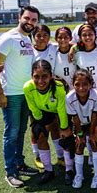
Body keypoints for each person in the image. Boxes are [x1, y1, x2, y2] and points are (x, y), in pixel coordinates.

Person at [0, 5, 41, 188]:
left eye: (34, 20)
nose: (30, 22)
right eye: (27, 18)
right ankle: (10, 172)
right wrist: (0, 93)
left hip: (26, 93)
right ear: (20, 17)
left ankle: (20, 164)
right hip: (11, 94)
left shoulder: (27, 39)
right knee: (11, 133)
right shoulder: (8, 38)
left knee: (20, 132)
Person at [24, 60, 72, 185]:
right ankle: (48, 170)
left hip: (59, 110)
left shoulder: (59, 87)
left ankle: (69, 169)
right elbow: (33, 108)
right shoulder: (28, 87)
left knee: (66, 137)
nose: (40, 81)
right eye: (36, 77)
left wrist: (64, 127)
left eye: (44, 76)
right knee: (40, 134)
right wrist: (42, 125)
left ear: (51, 75)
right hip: (41, 112)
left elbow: (61, 109)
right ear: (31, 76)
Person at [74, 23, 97, 164]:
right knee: (87, 123)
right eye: (84, 35)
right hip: (85, 94)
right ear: (80, 37)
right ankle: (91, 148)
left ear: (95, 35)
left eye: (90, 34)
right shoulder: (77, 53)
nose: (88, 37)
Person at [66, 68, 97, 189]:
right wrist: (80, 135)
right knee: (79, 145)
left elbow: (94, 116)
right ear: (73, 84)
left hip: (93, 122)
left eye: (85, 84)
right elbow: (75, 118)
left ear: (91, 84)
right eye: (77, 84)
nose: (81, 88)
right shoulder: (69, 98)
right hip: (79, 123)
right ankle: (79, 175)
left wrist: (92, 133)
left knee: (94, 142)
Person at [30, 25, 59, 170]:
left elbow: (72, 45)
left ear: (49, 37)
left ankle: (60, 156)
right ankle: (37, 155)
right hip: (35, 94)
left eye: (45, 35)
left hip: (52, 92)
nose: (41, 38)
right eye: (38, 35)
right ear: (33, 37)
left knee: (56, 125)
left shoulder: (53, 48)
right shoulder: (28, 51)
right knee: (36, 127)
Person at [54, 26, 76, 91]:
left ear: (71, 38)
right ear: (55, 39)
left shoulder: (76, 52)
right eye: (60, 37)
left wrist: (74, 47)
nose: (63, 40)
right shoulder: (52, 50)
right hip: (58, 90)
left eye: (66, 37)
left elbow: (82, 43)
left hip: (74, 90)